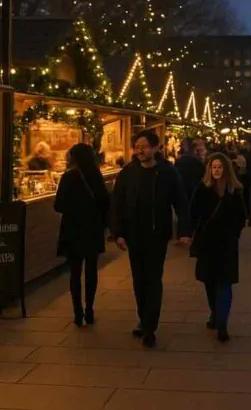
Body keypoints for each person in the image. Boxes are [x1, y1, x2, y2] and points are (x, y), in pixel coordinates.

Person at [110, 129, 190, 348]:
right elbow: (116, 203)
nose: (140, 150)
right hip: (133, 234)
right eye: (137, 146)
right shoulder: (128, 172)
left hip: (156, 234)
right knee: (138, 279)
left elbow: (181, 202)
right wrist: (118, 233)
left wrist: (184, 230)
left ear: (156, 148)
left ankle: (150, 327)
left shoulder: (167, 172)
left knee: (153, 279)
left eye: (144, 146)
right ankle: (143, 318)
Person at [189, 153, 247, 342]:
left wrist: (233, 234)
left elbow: (241, 217)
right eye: (214, 167)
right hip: (207, 244)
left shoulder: (235, 191)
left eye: (220, 167)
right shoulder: (202, 189)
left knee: (224, 283)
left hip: (226, 244)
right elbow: (193, 213)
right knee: (209, 282)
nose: (216, 170)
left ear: (226, 169)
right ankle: (215, 313)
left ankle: (222, 323)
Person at [55, 142, 110, 327]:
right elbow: (105, 202)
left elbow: (58, 205)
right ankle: (90, 309)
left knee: (75, 272)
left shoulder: (68, 177)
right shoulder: (96, 176)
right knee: (91, 270)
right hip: (93, 228)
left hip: (73, 229)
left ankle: (77, 312)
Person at [174, 140, 206, 232]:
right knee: (192, 210)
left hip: (182, 187)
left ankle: (182, 232)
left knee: (182, 211)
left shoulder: (180, 160)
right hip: (193, 187)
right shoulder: (196, 160)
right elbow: (203, 174)